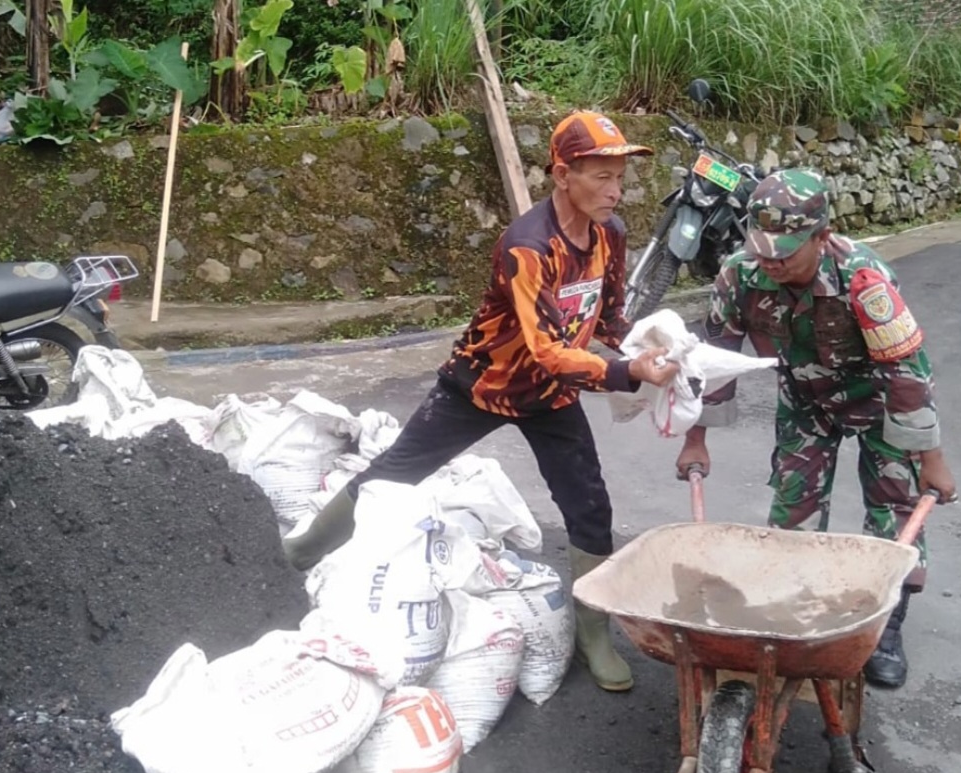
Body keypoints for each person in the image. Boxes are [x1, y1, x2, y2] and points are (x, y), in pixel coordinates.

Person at [284, 110, 680, 692]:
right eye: (601, 176)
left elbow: (609, 316)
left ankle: (594, 634)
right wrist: (626, 373)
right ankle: (303, 551)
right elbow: (545, 348)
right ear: (562, 174)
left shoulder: (609, 235)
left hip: (549, 396)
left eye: (620, 176)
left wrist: (654, 348)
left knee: (589, 505)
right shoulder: (526, 246)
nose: (615, 190)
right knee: (393, 475)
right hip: (482, 385)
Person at [675, 168, 957, 688]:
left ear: (821, 236)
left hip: (878, 402)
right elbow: (713, 362)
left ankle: (885, 624)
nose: (773, 262)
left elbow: (906, 370)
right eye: (762, 250)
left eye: (785, 252)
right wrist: (696, 440)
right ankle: (793, 619)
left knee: (894, 510)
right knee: (792, 507)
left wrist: (931, 459)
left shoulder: (864, 280)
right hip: (806, 401)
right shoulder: (740, 276)